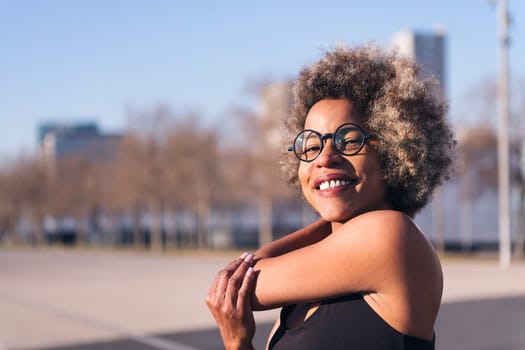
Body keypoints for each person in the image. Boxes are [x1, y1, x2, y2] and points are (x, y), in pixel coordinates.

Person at [206, 44, 455, 350]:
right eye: (310, 146)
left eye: (348, 141)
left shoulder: (392, 235)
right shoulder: (302, 300)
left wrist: (327, 219)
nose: (324, 158)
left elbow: (247, 284)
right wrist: (237, 343)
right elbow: (240, 283)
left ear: (393, 150)